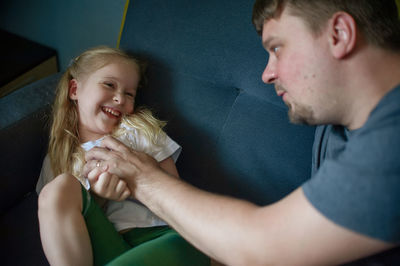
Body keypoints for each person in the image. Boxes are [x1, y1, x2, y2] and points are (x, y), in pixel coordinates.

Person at [83, 1, 400, 265]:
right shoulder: (344, 119)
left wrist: (143, 177)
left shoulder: (391, 144)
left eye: (277, 48)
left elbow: (261, 247)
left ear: (340, 34)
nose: (267, 74)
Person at [36, 46, 210, 266]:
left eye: (129, 94)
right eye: (109, 85)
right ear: (74, 90)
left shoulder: (138, 130)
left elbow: (176, 198)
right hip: (102, 248)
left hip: (161, 237)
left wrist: (134, 183)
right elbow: (59, 226)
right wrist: (99, 198)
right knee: (58, 188)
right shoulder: (56, 160)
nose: (119, 98)